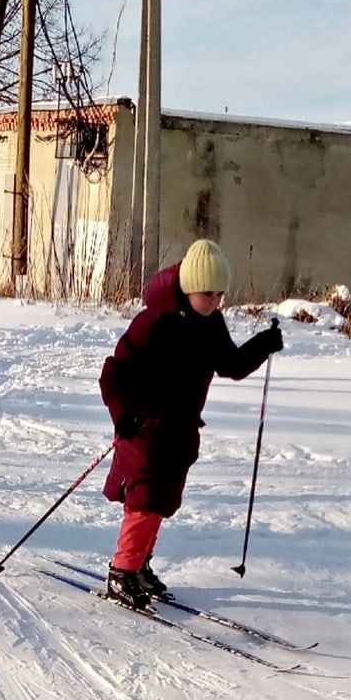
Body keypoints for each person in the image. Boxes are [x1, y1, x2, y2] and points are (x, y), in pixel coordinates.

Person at [98, 239, 283, 609]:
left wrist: (263, 344)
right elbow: (113, 374)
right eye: (209, 294)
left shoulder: (210, 324)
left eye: (220, 294)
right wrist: (123, 415)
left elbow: (230, 364)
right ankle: (122, 571)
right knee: (145, 499)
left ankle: (139, 566)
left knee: (163, 500)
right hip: (144, 429)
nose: (217, 301)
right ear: (189, 288)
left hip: (180, 430)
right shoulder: (153, 322)